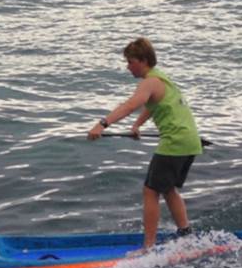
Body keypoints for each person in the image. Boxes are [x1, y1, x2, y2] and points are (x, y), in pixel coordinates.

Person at [86, 38, 203, 249]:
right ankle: (186, 233)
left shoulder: (149, 82)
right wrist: (137, 125)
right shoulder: (161, 79)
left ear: (143, 60)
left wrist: (102, 125)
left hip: (175, 142)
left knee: (150, 191)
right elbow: (152, 105)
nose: (128, 67)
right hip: (190, 141)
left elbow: (130, 105)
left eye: (130, 62)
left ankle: (148, 247)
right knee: (168, 189)